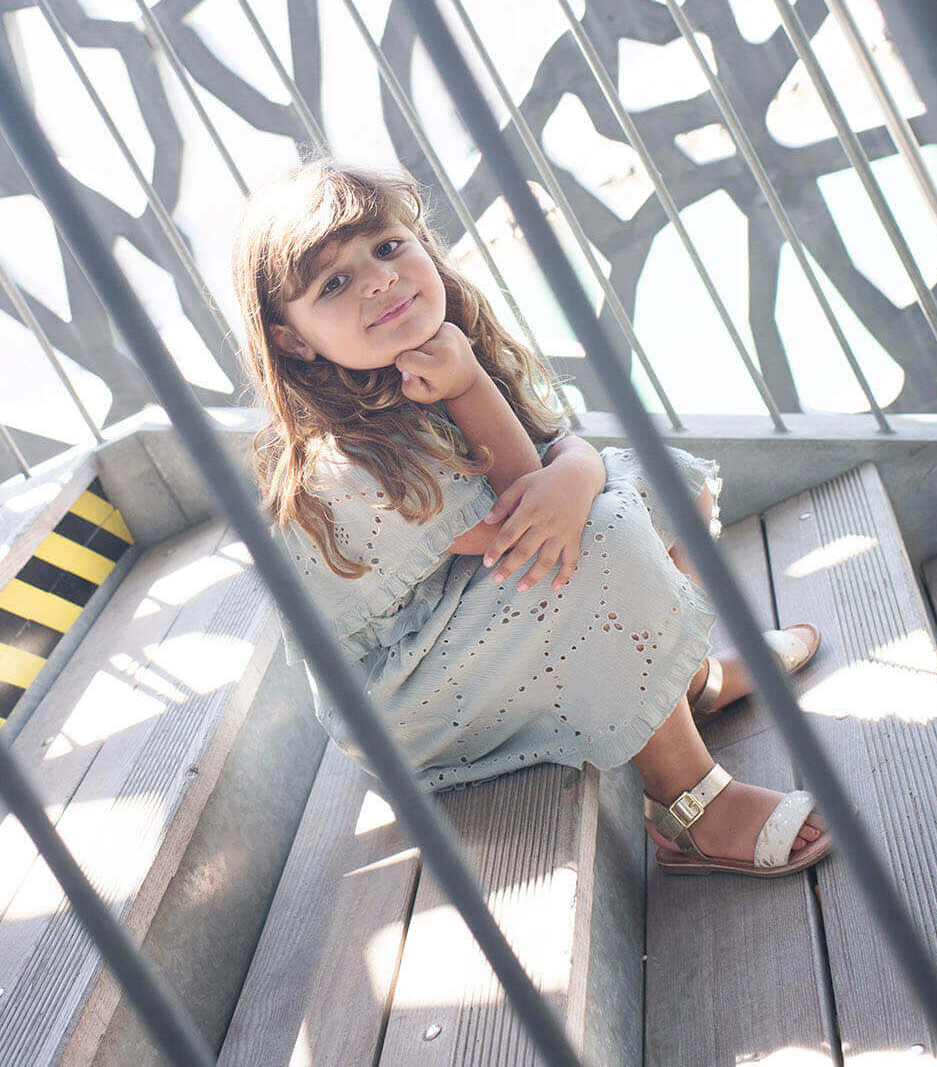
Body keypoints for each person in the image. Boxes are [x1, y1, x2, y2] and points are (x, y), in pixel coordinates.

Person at [231, 159, 831, 877]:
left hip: (479, 607)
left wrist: (572, 467)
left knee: (664, 483)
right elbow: (534, 519)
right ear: (293, 339)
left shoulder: (441, 343)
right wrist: (474, 389)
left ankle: (682, 682)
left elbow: (558, 450)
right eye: (333, 283)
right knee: (595, 542)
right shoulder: (343, 462)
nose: (380, 279)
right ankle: (687, 806)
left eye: (388, 247)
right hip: (416, 699)